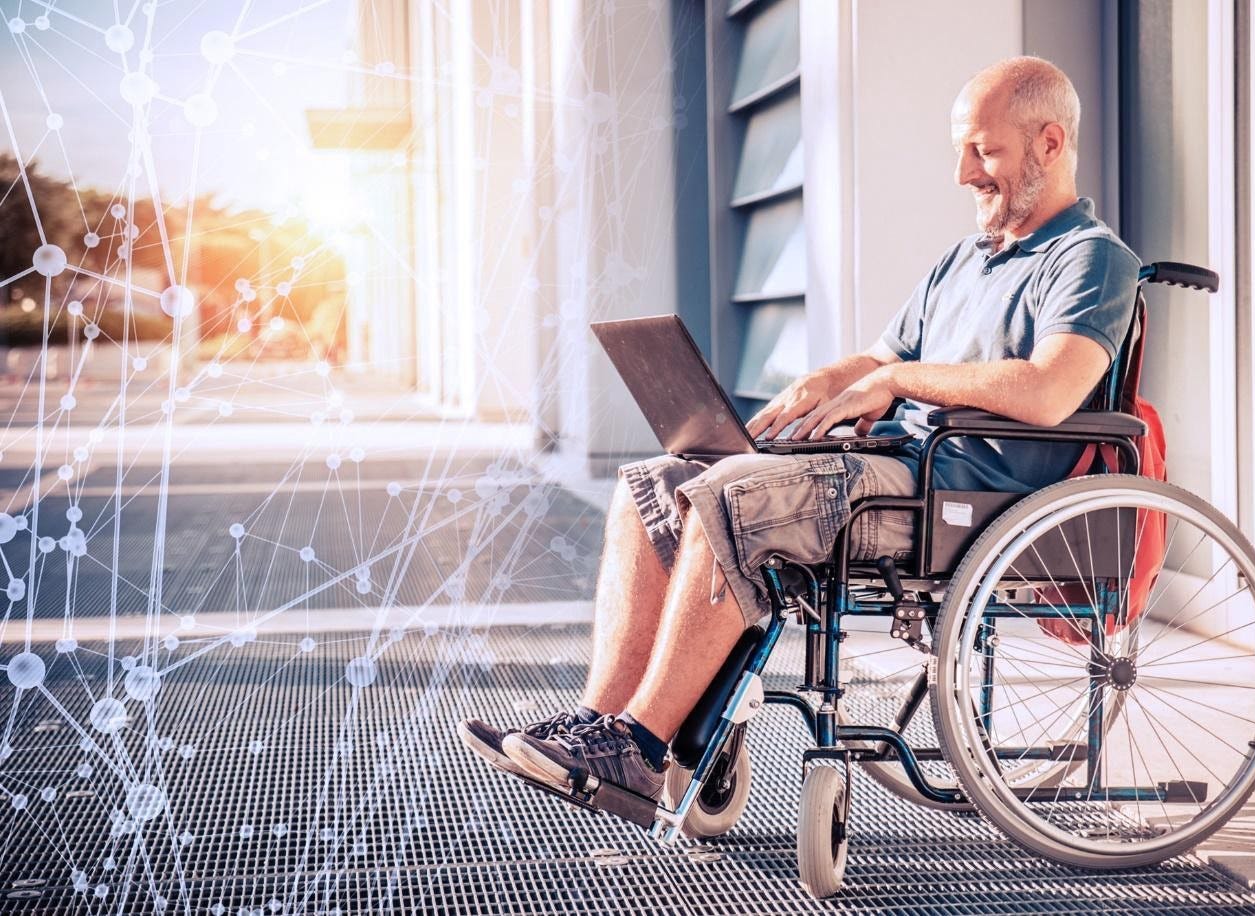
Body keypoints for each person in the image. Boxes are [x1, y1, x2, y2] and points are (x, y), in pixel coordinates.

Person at [460, 56, 1140, 804]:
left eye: (983, 150)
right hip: (897, 466)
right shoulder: (965, 261)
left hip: (956, 493)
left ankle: (644, 748)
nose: (962, 173)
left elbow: (1048, 390)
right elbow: (884, 359)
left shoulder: (1091, 259)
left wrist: (895, 382)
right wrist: (831, 380)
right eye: (961, 149)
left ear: (1049, 142)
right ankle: (598, 727)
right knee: (654, 484)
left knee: (726, 495)